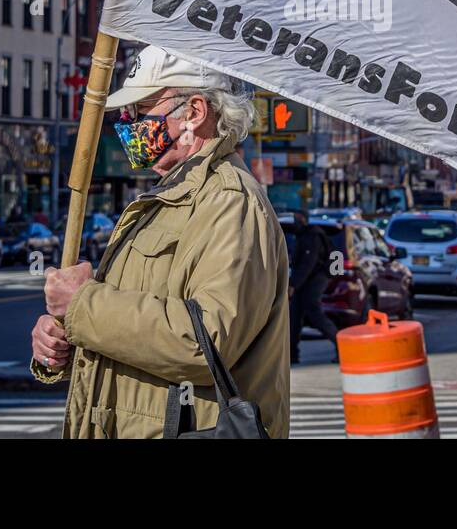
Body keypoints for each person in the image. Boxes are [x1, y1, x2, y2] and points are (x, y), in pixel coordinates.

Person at [29, 45, 290, 438]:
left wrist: (83, 305)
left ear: (195, 113)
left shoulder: (229, 202)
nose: (128, 124)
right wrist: (64, 344)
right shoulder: (170, 198)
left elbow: (207, 345)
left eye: (141, 111)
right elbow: (135, 338)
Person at [287, 207, 340, 364]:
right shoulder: (301, 236)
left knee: (315, 314)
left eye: (297, 217)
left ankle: (342, 347)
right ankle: (292, 355)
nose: (295, 221)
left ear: (304, 219)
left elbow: (307, 265)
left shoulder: (312, 236)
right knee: (294, 318)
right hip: (305, 281)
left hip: (315, 280)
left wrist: (293, 285)